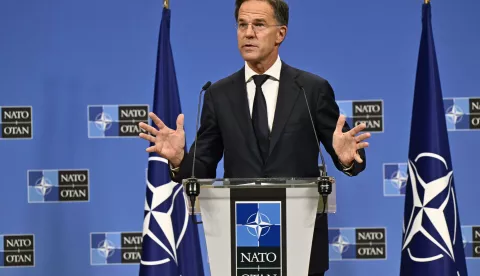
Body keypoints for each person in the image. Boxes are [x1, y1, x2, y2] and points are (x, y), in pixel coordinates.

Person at [139, 0, 371, 275]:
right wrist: (179, 160)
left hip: (301, 240)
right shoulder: (219, 94)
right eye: (242, 25)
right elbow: (202, 167)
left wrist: (346, 158)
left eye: (259, 25)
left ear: (280, 34)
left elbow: (352, 159)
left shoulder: (312, 90)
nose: (248, 33)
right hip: (241, 240)